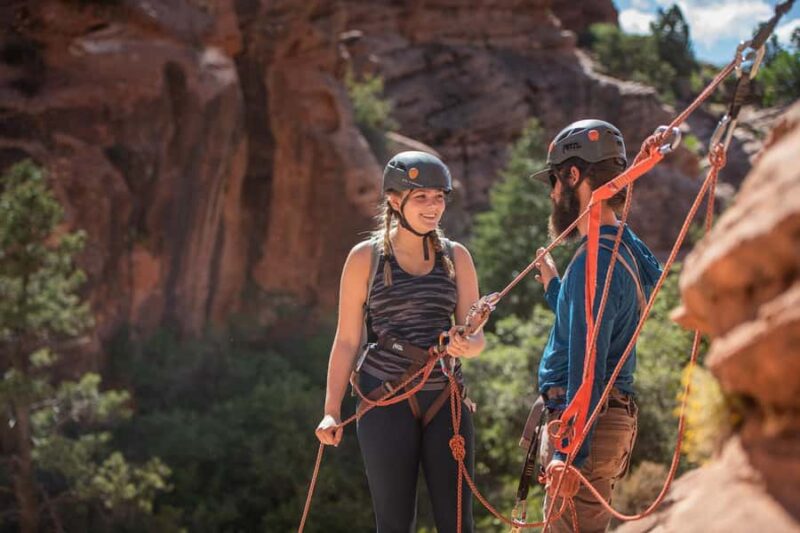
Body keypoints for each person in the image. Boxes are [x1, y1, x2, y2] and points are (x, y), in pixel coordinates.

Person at [315, 151, 486, 532]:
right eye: (421, 197)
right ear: (395, 200)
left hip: (444, 398)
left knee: (458, 523)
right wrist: (331, 409)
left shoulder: (456, 258)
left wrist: (465, 346)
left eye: (439, 197)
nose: (433, 207)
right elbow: (346, 340)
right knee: (393, 524)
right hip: (383, 398)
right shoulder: (366, 259)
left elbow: (476, 337)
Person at [530, 120, 663, 532]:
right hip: (603, 421)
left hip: (585, 426)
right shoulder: (622, 244)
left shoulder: (596, 260)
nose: (553, 193)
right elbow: (591, 322)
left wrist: (568, 454)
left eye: (555, 180)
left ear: (573, 175)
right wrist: (557, 286)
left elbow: (589, 365)